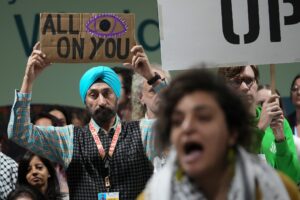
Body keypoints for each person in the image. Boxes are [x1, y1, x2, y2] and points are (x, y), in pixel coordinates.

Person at [8, 42, 167, 199]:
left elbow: (178, 115)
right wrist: (28, 80)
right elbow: (19, 132)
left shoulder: (142, 131)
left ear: (117, 97)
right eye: (93, 95)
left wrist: (151, 78)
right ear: (85, 100)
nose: (102, 101)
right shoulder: (68, 138)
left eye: (107, 93)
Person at [138, 68, 299, 200]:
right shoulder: (155, 195)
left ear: (230, 131)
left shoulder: (277, 190)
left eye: (203, 118)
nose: (188, 128)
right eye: (178, 120)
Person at [218, 65, 300, 184]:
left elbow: (293, 178)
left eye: (249, 80)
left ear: (257, 83)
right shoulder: (219, 124)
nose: (244, 87)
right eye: (236, 81)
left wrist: (280, 140)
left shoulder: (278, 120)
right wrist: (260, 127)